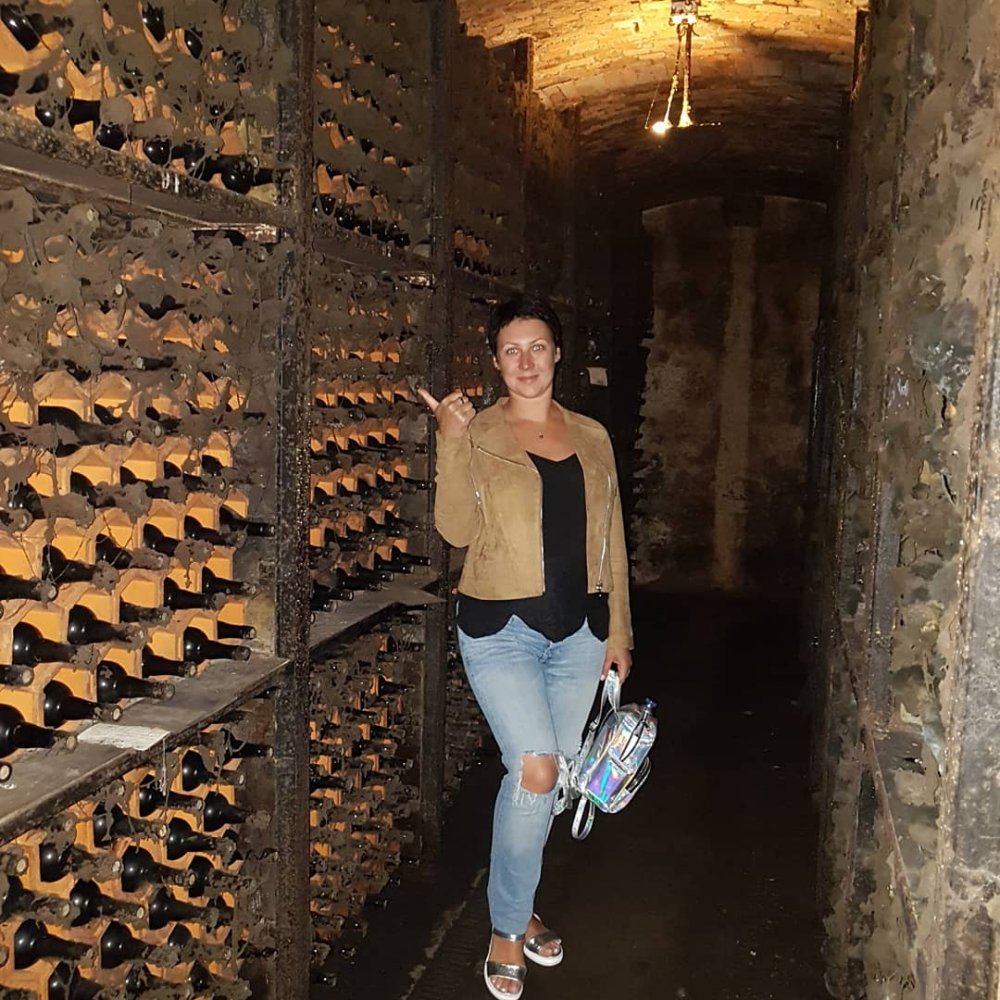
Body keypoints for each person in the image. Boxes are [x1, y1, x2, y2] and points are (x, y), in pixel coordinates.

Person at [417, 294, 633, 999]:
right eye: (511, 350)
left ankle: (521, 904)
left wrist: (620, 632)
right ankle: (507, 929)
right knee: (536, 771)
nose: (526, 361)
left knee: (551, 782)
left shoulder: (593, 436)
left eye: (538, 346)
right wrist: (450, 442)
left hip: (580, 632)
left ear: (557, 353)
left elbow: (613, 540)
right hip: (500, 628)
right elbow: (454, 531)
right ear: (495, 360)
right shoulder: (476, 430)